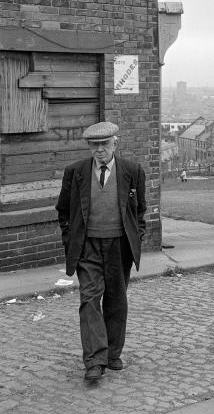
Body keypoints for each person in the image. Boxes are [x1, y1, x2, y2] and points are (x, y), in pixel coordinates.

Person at [56, 121, 147, 382]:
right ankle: (95, 361)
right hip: (88, 248)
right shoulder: (75, 172)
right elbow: (63, 210)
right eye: (94, 145)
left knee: (116, 300)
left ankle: (112, 354)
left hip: (119, 246)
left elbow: (139, 211)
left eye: (104, 145)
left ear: (115, 144)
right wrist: (69, 239)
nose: (99, 151)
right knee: (89, 300)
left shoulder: (132, 171)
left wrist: (136, 237)